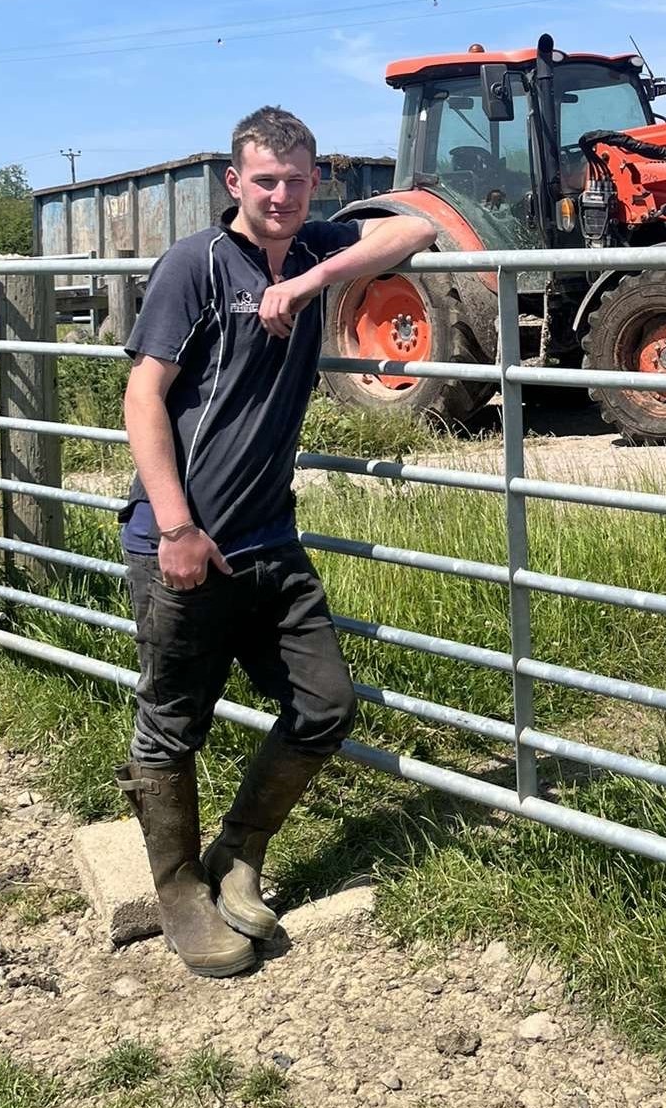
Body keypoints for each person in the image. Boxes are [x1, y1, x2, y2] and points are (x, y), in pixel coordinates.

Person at [113, 106, 437, 977]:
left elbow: (415, 227)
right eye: (265, 180)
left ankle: (239, 849)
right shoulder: (194, 265)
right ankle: (179, 890)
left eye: (296, 180)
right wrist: (176, 525)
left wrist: (308, 280)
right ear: (234, 182)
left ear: (315, 181)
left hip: (269, 540)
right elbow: (142, 396)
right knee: (173, 721)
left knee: (325, 702)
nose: (282, 195)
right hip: (184, 544)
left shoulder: (312, 245)